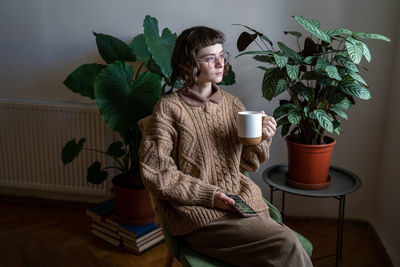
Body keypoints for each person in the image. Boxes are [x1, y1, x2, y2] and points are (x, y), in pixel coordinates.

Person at [138, 26, 312, 267]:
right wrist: (210, 196)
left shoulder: (232, 104)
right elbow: (157, 174)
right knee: (287, 243)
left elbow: (246, 163)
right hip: (200, 216)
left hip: (241, 204)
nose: (220, 64)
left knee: (283, 245)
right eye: (210, 58)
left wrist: (262, 137)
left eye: (222, 56)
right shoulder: (169, 109)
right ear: (187, 64)